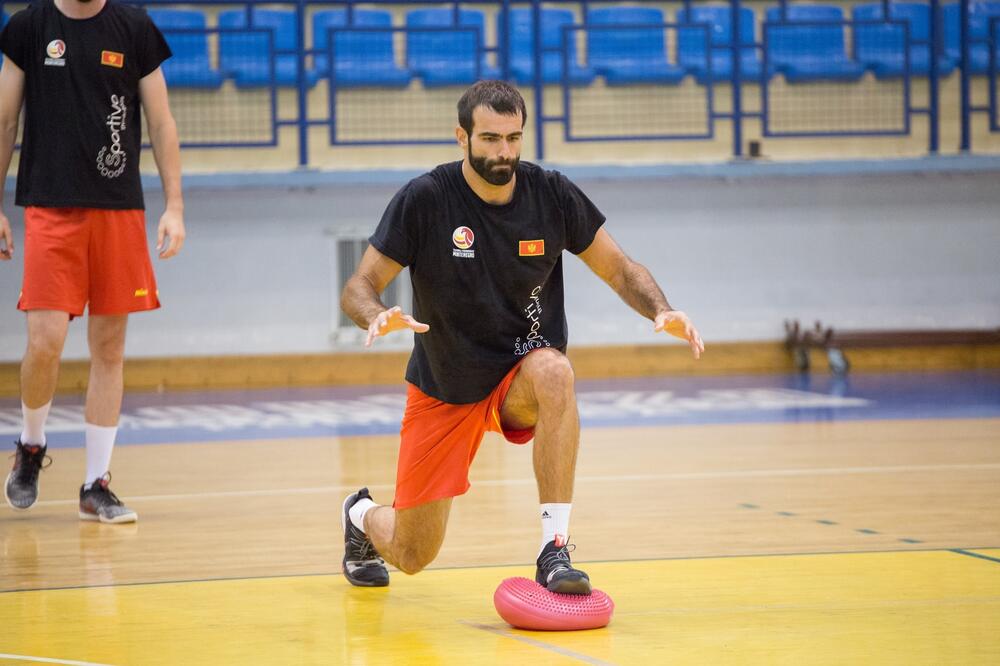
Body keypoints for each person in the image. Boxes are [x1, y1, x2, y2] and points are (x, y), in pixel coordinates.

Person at [340, 80, 703, 592]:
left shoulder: (551, 194)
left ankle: (554, 551)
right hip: (446, 384)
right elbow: (359, 284)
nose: (503, 152)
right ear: (461, 137)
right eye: (489, 138)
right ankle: (360, 517)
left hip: (517, 374)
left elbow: (620, 268)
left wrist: (660, 309)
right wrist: (374, 312)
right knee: (412, 553)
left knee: (555, 371)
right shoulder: (426, 198)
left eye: (513, 138)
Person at [0, 0, 185, 523]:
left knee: (109, 347)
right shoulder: (29, 27)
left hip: (118, 211)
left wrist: (174, 205)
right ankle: (31, 445)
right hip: (49, 207)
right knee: (45, 342)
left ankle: (95, 485)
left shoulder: (134, 27)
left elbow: (162, 121)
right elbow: (5, 118)